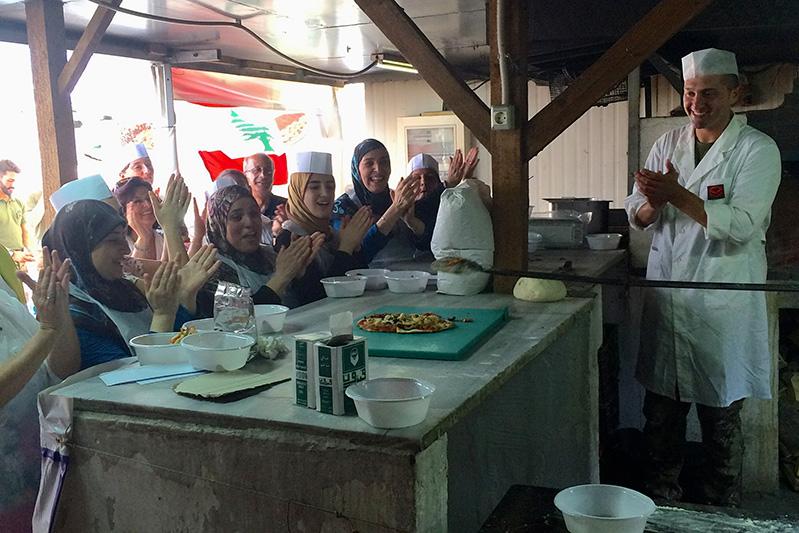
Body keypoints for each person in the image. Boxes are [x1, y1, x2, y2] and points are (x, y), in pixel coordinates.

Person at [624, 48, 781, 506]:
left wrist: (676, 194)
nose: (697, 103)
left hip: (721, 302)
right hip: (670, 300)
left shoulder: (756, 150)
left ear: (735, 92)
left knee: (720, 419)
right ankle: (661, 501)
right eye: (691, 93)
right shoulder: (667, 144)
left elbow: (743, 224)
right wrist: (655, 201)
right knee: (661, 417)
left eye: (709, 93)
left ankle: (721, 506)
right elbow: (639, 212)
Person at [47, 200, 219, 369]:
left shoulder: (125, 290)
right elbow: (129, 376)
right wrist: (163, 315)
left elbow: (179, 343)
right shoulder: (73, 314)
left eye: (124, 237)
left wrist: (186, 297)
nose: (127, 249)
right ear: (80, 247)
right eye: (113, 240)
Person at [0, 247, 80, 531]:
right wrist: (47, 331)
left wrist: (59, 317)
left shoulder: (4, 291)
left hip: (37, 476)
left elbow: (60, 371)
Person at [196, 185, 319, 317]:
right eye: (237, 217)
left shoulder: (271, 256)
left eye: (254, 214)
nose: (249, 222)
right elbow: (238, 320)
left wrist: (299, 276)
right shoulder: (212, 270)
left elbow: (308, 308)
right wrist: (281, 277)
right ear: (218, 224)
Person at [275, 151, 371, 307]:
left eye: (330, 186)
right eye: (314, 187)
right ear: (298, 193)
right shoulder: (289, 238)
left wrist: (355, 246)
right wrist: (345, 248)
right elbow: (317, 300)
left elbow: (361, 283)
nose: (325, 194)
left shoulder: (332, 234)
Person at [331, 139, 419, 266]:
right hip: (365, 276)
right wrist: (394, 210)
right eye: (369, 163)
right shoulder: (342, 207)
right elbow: (354, 253)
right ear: (357, 169)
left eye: (384, 162)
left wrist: (412, 223)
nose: (378, 169)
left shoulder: (399, 197)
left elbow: (423, 244)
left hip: (408, 273)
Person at [402, 148, 481, 256]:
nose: (423, 182)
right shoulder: (403, 210)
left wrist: (463, 183)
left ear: (438, 181)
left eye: (429, 178)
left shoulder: (451, 201)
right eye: (416, 178)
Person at [0, 159, 33, 268]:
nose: (13, 185)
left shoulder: (18, 203)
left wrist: (28, 251)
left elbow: (24, 231)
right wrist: (12, 254)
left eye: (14, 181)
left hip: (20, 262)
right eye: (10, 181)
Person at [243, 152, 287, 223]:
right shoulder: (239, 207)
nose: (263, 175)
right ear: (245, 176)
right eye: (256, 170)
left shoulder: (286, 207)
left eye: (268, 171)